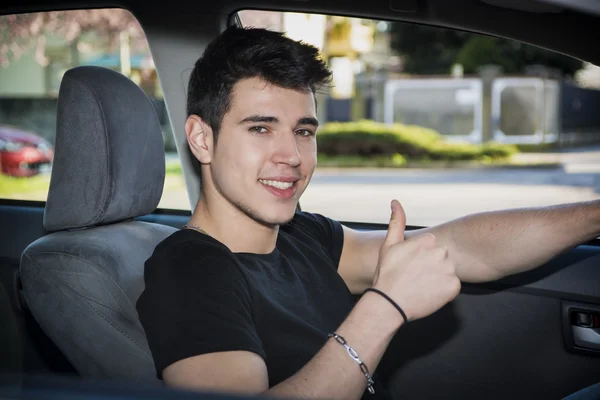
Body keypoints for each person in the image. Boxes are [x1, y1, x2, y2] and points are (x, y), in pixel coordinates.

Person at [136, 26, 600, 400]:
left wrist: (595, 214)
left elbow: (461, 249)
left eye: (303, 131)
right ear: (202, 139)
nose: (292, 155)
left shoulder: (303, 235)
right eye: (260, 128)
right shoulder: (188, 272)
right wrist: (385, 305)